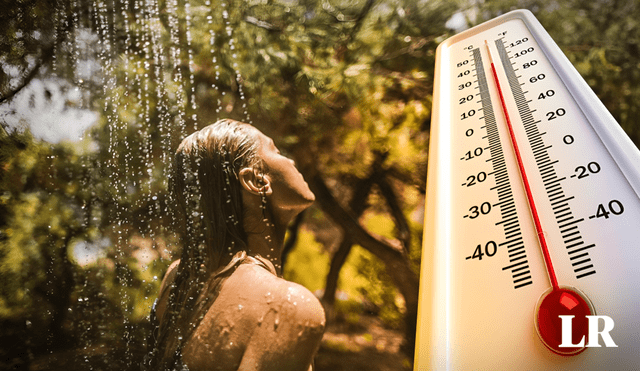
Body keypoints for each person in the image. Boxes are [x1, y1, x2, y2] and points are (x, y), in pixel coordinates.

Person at [144, 119, 325, 371]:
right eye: (276, 151)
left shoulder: (179, 279)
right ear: (256, 181)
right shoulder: (288, 306)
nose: (292, 161)